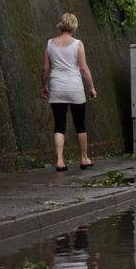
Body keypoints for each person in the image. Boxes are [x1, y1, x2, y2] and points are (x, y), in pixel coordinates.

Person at [42, 13, 98, 171]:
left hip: (57, 87)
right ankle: (84, 158)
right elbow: (83, 68)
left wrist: (43, 86)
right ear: (74, 26)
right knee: (80, 124)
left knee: (59, 125)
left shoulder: (50, 43)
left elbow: (46, 68)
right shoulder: (77, 44)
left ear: (61, 25)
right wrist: (91, 87)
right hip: (74, 87)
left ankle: (60, 161)